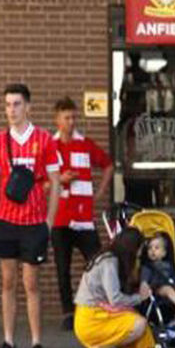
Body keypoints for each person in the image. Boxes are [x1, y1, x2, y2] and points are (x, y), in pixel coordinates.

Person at [0, 83, 62, 348]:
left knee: (31, 284)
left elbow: (55, 182)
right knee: (8, 283)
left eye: (17, 104)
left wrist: (49, 221)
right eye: (8, 104)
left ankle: (36, 343)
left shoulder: (44, 139)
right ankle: (8, 342)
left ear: (28, 106)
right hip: (5, 222)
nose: (12, 110)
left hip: (33, 223)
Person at [50, 96, 113, 332]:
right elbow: (40, 183)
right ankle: (68, 313)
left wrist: (100, 192)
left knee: (97, 262)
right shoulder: (50, 147)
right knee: (62, 268)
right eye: (66, 117)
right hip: (60, 218)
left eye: (73, 117)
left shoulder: (85, 144)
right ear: (57, 120)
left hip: (84, 218)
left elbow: (108, 165)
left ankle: (97, 307)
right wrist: (60, 179)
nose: (71, 122)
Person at [73, 228, 155, 348]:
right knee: (139, 324)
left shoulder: (108, 257)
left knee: (133, 317)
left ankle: (101, 347)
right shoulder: (109, 263)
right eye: (139, 250)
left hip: (93, 313)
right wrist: (140, 297)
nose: (139, 254)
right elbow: (115, 299)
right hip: (92, 319)